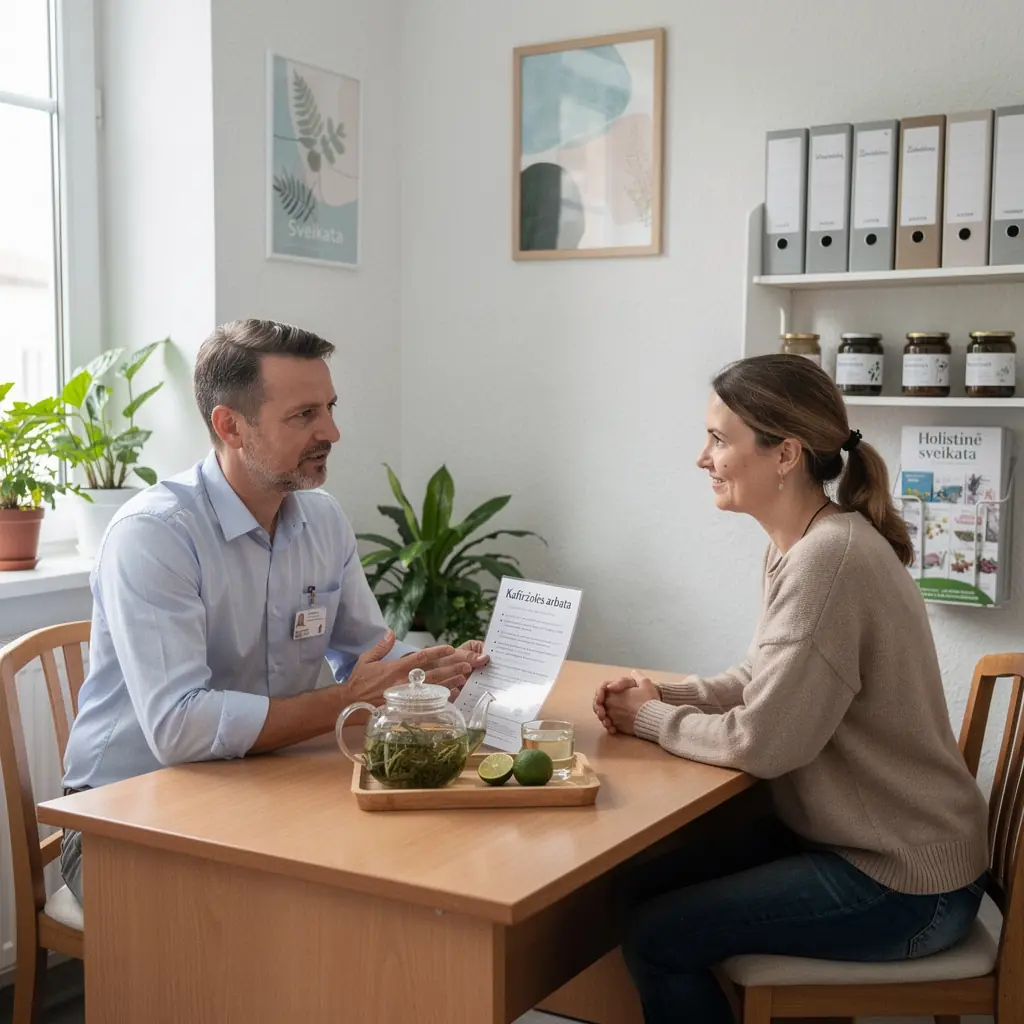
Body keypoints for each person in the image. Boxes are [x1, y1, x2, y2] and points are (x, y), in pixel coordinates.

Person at [593, 354, 989, 1024]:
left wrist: (651, 718)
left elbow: (765, 742)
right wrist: (664, 694)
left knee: (660, 935)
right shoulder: (804, 543)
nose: (702, 458)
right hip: (862, 848)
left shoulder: (828, 561)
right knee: (632, 888)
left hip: (905, 885)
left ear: (785, 455)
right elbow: (763, 678)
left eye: (719, 440)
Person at [61, 319, 487, 903]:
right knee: (295, 909)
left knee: (422, 867)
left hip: (259, 783)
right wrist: (347, 701)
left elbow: (369, 657)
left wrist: (441, 669)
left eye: (330, 408)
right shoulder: (154, 535)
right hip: (120, 815)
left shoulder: (323, 519)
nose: (332, 431)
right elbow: (179, 728)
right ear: (230, 426)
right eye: (304, 415)